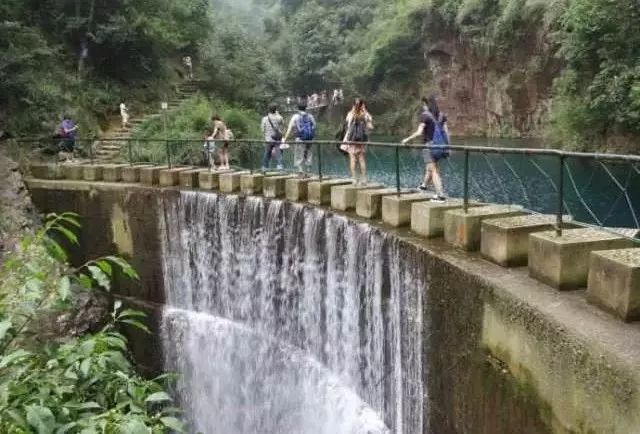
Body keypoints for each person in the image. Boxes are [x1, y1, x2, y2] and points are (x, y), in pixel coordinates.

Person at [401, 96, 450, 202]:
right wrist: (448, 146)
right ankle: (423, 186)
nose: (423, 107)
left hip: (429, 146)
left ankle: (440, 195)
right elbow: (446, 132)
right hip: (441, 147)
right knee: (431, 167)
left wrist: (407, 139)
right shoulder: (442, 116)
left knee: (433, 170)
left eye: (423, 105)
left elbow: (419, 132)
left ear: (426, 104)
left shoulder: (425, 116)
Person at [342, 98, 373, 185]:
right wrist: (365, 112)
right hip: (361, 140)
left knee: (352, 159)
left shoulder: (350, 114)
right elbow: (370, 126)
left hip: (351, 139)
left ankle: (354, 179)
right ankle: (364, 179)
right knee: (361, 159)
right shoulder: (365, 114)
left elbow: (347, 123)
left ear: (353, 105)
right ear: (362, 105)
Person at [282, 103, 316, 175]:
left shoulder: (295, 116)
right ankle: (308, 169)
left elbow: (289, 128)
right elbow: (314, 126)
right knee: (308, 153)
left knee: (299, 154)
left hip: (300, 138)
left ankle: (301, 170)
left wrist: (285, 138)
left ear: (298, 109)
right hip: (310, 139)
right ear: (306, 108)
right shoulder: (310, 116)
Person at [261, 104, 285, 170]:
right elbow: (283, 124)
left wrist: (264, 138)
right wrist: (278, 114)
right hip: (277, 139)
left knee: (267, 154)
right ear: (276, 110)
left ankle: (264, 168)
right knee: (279, 153)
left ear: (269, 110)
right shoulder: (279, 117)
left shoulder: (264, 119)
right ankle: (280, 167)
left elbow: (262, 130)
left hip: (268, 139)